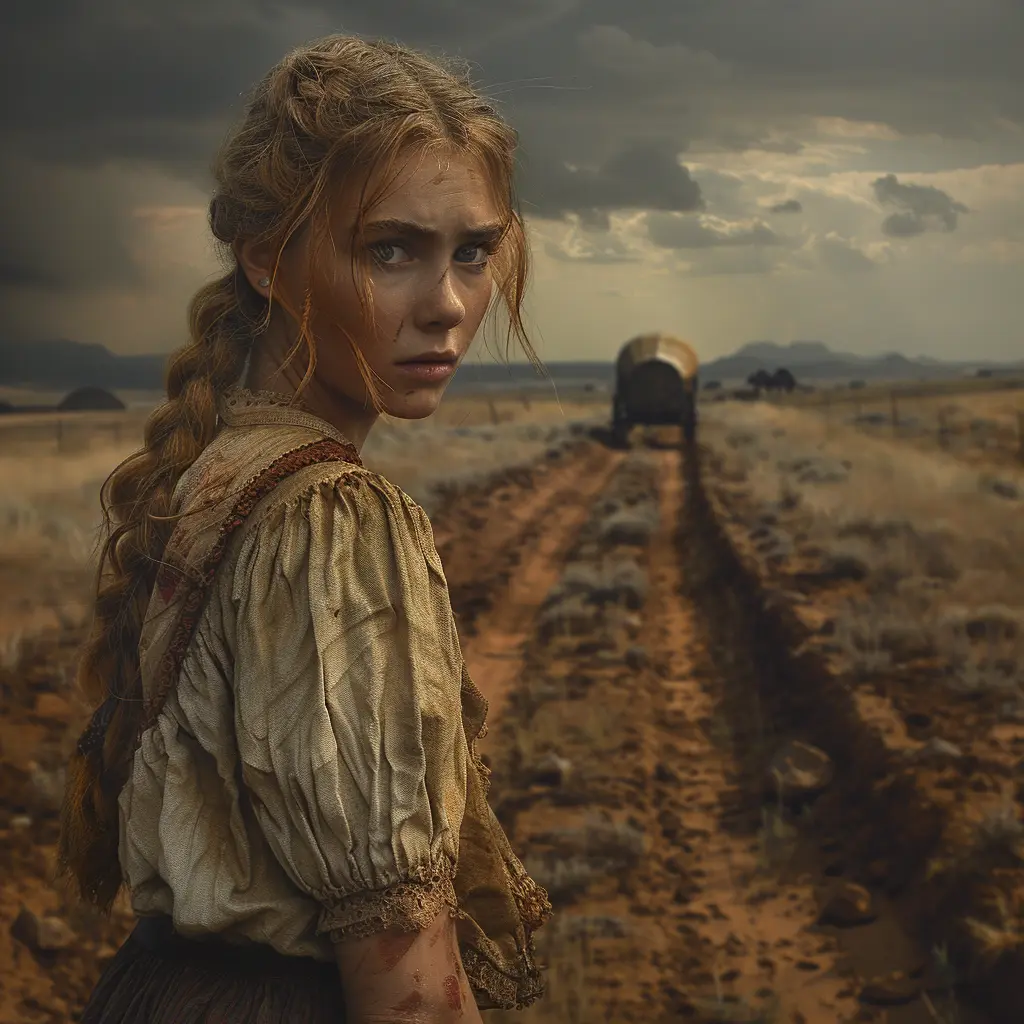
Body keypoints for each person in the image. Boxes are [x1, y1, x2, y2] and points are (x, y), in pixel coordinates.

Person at [58, 33, 551, 1023]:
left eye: (472, 252)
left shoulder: (222, 463)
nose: (448, 305)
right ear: (268, 262)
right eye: (390, 250)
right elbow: (397, 959)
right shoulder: (336, 519)